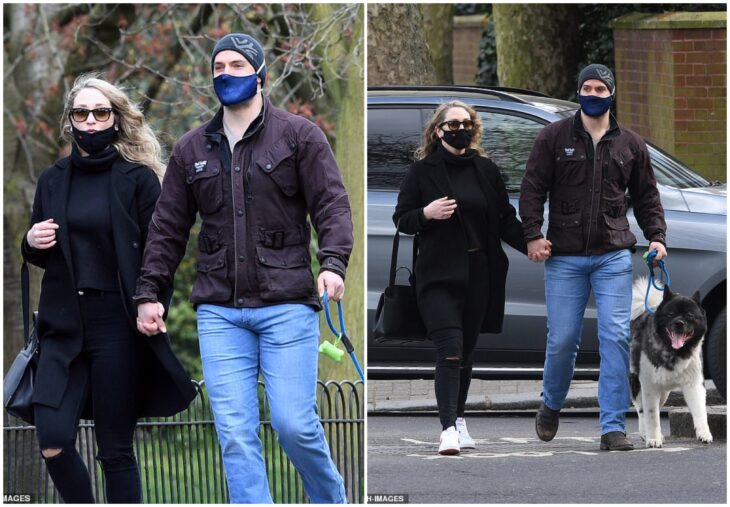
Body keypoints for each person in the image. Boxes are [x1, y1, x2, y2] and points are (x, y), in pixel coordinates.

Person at [133, 33, 352, 503]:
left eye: (236, 65)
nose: (226, 74)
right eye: (218, 68)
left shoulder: (299, 136)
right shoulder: (192, 149)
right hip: (220, 311)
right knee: (235, 434)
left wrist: (333, 262)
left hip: (287, 305)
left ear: (260, 74)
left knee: (295, 425)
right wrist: (150, 292)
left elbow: (332, 205)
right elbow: (167, 228)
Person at [21, 74, 196, 503]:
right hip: (62, 327)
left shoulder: (138, 180)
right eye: (82, 113)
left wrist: (149, 301)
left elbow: (161, 254)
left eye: (101, 112)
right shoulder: (52, 179)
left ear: (116, 120)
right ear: (70, 122)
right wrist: (29, 242)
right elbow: (42, 249)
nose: (92, 121)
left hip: (117, 325)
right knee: (53, 440)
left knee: (115, 451)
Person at [519, 63, 667, 451]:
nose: (594, 94)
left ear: (612, 94)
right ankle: (551, 403)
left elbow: (648, 196)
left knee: (615, 336)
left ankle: (612, 426)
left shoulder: (630, 145)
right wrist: (533, 235)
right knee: (563, 340)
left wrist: (657, 238)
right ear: (578, 91)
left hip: (612, 254)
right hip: (564, 256)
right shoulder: (553, 138)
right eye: (587, 87)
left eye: (601, 89)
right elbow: (532, 188)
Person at [393, 101, 535, 455]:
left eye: (465, 122)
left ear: (474, 127)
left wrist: (533, 244)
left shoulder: (486, 170)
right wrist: (426, 213)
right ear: (438, 130)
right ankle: (447, 430)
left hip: (479, 274)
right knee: (451, 350)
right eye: (452, 123)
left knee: (467, 354)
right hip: (438, 276)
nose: (459, 128)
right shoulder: (422, 172)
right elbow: (402, 219)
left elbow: (504, 219)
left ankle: (458, 418)